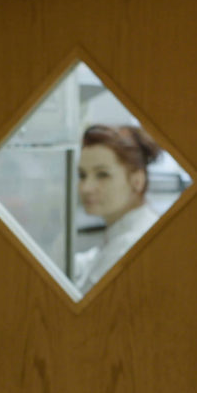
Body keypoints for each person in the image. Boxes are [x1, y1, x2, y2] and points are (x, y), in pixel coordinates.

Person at [72, 124, 162, 293]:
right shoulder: (122, 232)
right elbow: (93, 260)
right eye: (82, 175)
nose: (85, 187)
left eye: (102, 175)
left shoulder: (130, 245)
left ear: (137, 181)